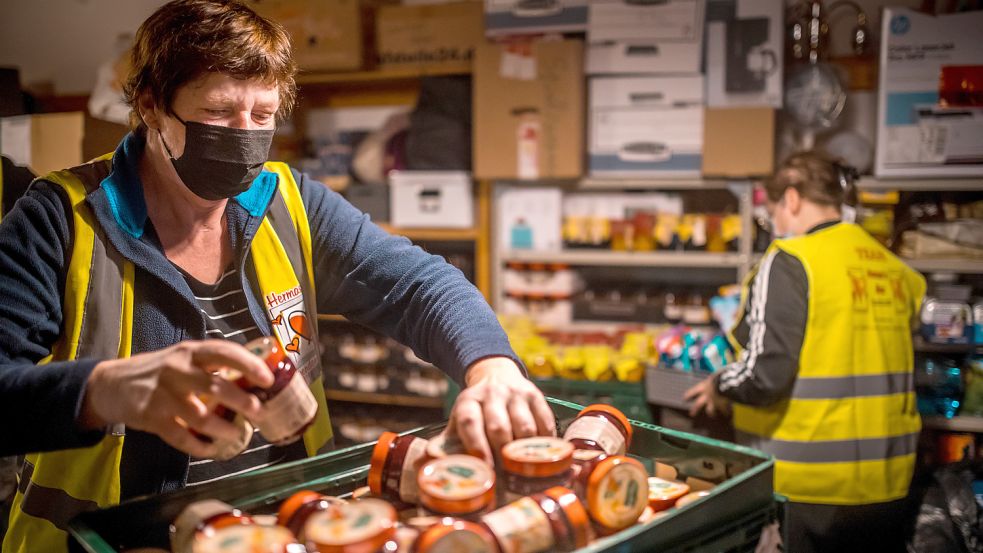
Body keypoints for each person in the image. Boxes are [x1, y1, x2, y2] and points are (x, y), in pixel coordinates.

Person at [0, 1, 552, 551]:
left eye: (262, 117)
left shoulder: (288, 202)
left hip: (285, 532)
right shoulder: (59, 219)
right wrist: (108, 391)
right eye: (219, 112)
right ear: (151, 106)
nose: (245, 136)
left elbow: (418, 285)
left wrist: (491, 368)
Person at [685, 152, 926, 553]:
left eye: (773, 211)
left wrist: (719, 383)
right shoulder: (894, 269)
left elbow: (766, 376)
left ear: (791, 200)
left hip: (810, 487)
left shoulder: (791, 260)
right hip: (890, 484)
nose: (774, 224)